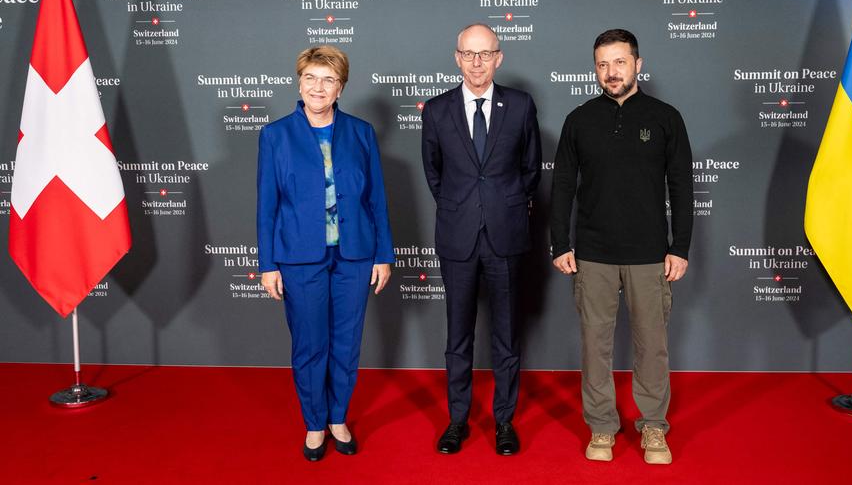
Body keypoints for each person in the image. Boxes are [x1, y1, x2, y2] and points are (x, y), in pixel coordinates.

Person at [550, 29, 693, 464]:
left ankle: (653, 427)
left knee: (653, 344)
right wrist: (561, 243)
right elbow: (561, 187)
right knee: (595, 345)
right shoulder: (579, 119)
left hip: (650, 254)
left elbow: (682, 186)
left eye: (619, 62)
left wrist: (679, 246)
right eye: (602, 64)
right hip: (592, 253)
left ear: (638, 64)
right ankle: (601, 428)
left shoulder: (666, 117)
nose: (611, 72)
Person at [257, 46, 394, 462]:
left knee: (346, 343)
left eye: (329, 80)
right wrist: (267, 264)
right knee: (310, 345)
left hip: (354, 255)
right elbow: (267, 204)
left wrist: (382, 255)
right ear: (299, 82)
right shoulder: (275, 135)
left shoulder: (360, 132)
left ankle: (338, 417)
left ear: (341, 87)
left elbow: (377, 200)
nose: (319, 87)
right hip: (299, 258)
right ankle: (315, 424)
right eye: (312, 78)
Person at [421, 23, 542, 456]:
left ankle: (504, 421)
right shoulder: (435, 110)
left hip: (506, 234)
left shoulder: (521, 106)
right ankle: (457, 420)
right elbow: (434, 173)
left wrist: (502, 205)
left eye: (485, 53)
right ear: (457, 58)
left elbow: (531, 169)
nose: (476, 62)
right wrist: (462, 207)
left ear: (499, 57)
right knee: (458, 336)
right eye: (469, 54)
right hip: (457, 237)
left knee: (507, 336)